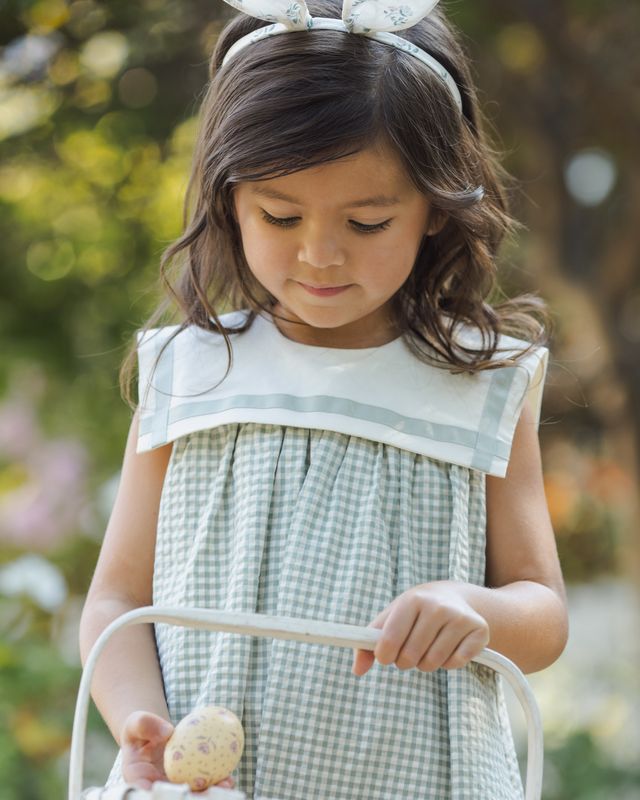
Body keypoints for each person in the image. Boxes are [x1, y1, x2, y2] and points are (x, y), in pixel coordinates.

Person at [78, 0, 569, 796]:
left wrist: (472, 605)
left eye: (369, 221)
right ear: (229, 200)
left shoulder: (481, 382)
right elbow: (115, 600)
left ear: (435, 211)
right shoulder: (191, 369)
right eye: (280, 214)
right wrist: (141, 721)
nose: (320, 254)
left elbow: (543, 613)